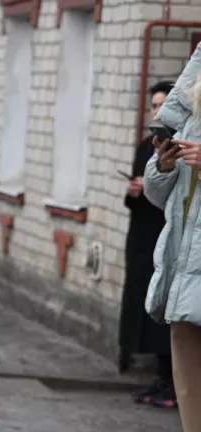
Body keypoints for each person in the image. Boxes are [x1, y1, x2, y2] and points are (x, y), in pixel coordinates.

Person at [143, 43, 201, 432]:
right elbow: (160, 198)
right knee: (188, 381)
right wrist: (162, 167)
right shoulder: (191, 121)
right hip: (186, 269)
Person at [121, 81, 176, 406]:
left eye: (163, 105)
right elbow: (136, 188)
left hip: (166, 233)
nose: (157, 112)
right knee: (146, 304)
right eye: (154, 106)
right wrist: (135, 190)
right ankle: (160, 376)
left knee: (169, 310)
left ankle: (173, 381)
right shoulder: (147, 145)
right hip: (142, 235)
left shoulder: (181, 146)